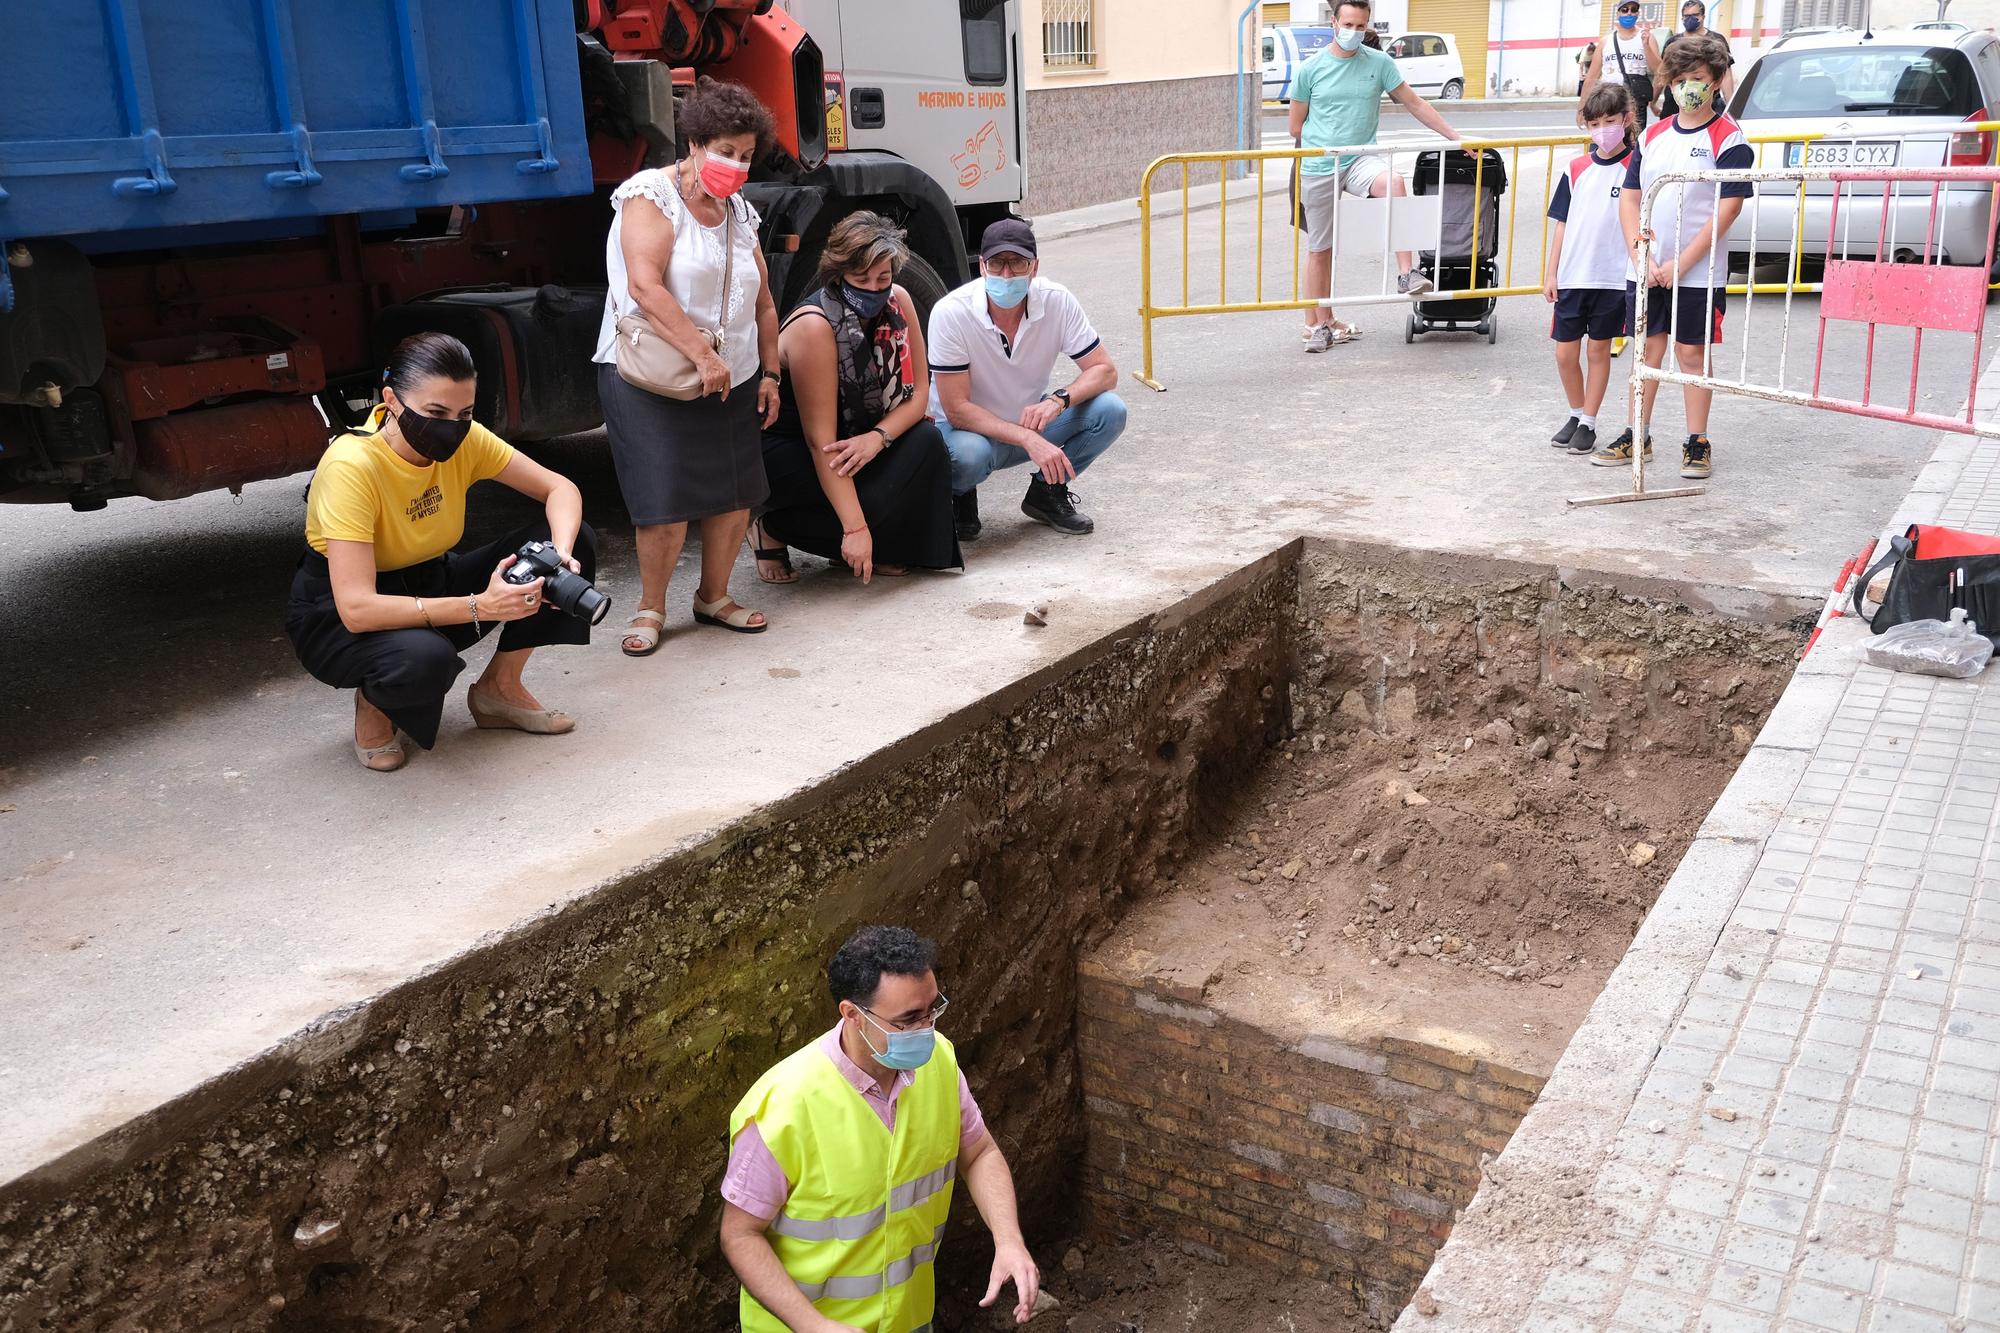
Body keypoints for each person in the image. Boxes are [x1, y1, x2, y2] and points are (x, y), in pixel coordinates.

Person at [286, 333, 595, 772]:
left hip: (431, 578)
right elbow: (356, 608)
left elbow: (559, 488)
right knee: (423, 659)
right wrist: (480, 606)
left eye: (464, 413)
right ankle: (374, 707)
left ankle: (499, 690)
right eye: (435, 413)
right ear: (390, 399)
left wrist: (560, 555)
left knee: (571, 540)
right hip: (340, 615)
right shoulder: (352, 465)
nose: (452, 426)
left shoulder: (466, 441)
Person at [721, 926, 1039, 1333]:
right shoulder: (784, 1106)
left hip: (907, 1322)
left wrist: (1008, 1239)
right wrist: (813, 1325)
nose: (927, 1028)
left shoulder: (939, 1063)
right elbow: (740, 1235)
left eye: (932, 1009)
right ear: (852, 1014)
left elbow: (980, 1154)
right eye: (909, 1019)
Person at [593, 78, 781, 655]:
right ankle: (651, 608)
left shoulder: (739, 212)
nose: (736, 164)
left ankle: (714, 597)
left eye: (746, 156)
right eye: (725, 150)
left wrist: (770, 372)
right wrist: (702, 355)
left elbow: (764, 301)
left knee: (735, 493)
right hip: (653, 374)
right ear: (696, 143)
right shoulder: (650, 195)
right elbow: (645, 285)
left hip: (734, 374)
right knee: (664, 501)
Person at [754, 212, 961, 584]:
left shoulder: (898, 301)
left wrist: (877, 438)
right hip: (794, 448)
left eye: (883, 277)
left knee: (927, 442)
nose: (873, 288)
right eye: (861, 278)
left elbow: (919, 397)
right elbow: (822, 443)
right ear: (838, 273)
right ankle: (773, 526)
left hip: (857, 435)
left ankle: (883, 542)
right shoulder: (815, 325)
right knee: (868, 496)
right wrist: (854, 529)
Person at [1592, 34, 1749, 480]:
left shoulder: (1729, 136)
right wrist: (1639, 252)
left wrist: (1682, 263)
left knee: (1691, 354)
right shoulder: (1654, 134)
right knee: (1647, 350)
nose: (1688, 88)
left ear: (1717, 81)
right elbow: (1630, 196)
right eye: (1679, 80)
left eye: (1697, 79)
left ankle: (1697, 441)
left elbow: (1729, 206)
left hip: (1697, 273)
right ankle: (1635, 432)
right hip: (1645, 269)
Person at [929, 218, 1125, 541]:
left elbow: (1106, 370)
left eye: (1018, 263)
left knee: (1110, 411)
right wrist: (1027, 439)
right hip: (967, 432)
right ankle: (960, 494)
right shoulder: (951, 313)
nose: (1006, 275)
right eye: (997, 263)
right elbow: (956, 410)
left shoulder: (1057, 300)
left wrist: (1057, 400)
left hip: (1026, 420)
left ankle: (1047, 492)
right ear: (982, 267)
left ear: (1034, 268)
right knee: (968, 457)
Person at [1287, 0, 1459, 352]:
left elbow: (1415, 103)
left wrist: (1456, 139)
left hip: (1361, 158)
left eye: (1361, 26)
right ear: (1334, 23)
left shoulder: (1379, 63)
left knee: (1394, 183)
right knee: (1320, 248)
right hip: (1321, 164)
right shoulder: (1311, 69)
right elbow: (1295, 126)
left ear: (1368, 27)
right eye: (1347, 24)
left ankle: (1406, 274)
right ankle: (1318, 324)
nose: (1353, 32)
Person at [1543, 83, 1637, 460]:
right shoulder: (1575, 167)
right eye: (1595, 123)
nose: (1603, 130)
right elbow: (1561, 223)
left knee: (1599, 350)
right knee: (1565, 354)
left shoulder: (1637, 167)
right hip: (1573, 275)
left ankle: (1590, 423)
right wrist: (1552, 273)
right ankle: (1575, 411)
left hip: (1613, 278)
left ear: (1626, 120)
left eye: (1610, 121)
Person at [1581, 1, 1662, 132]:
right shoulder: (1605, 41)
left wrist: (1646, 46)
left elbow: (1660, 71)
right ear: (1617, 13)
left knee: (1633, 143)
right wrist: (1582, 108)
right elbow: (1591, 77)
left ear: (1638, 13)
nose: (1629, 13)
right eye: (1624, 10)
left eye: (1633, 9)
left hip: (1634, 103)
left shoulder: (1647, 37)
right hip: (1608, 101)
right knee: (1605, 140)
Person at [1657, 1, 1734, 117]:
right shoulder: (1672, 42)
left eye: (1695, 15)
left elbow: (1726, 76)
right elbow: (1662, 73)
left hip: (1707, 105)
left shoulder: (1716, 41)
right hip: (1674, 106)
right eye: (1686, 16)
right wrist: (1653, 100)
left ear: (1703, 16)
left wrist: (1730, 106)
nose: (1690, 19)